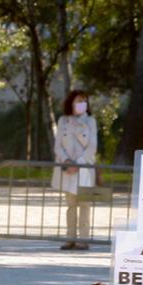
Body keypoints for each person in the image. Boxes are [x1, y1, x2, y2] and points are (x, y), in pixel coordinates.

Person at [52, 89, 98, 250]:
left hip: (84, 169)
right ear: (71, 102)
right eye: (78, 101)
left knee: (85, 205)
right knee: (71, 205)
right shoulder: (63, 120)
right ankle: (69, 238)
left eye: (84, 101)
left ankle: (83, 239)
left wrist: (78, 163)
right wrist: (67, 161)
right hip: (67, 169)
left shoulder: (90, 121)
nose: (81, 104)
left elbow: (92, 146)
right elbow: (58, 146)